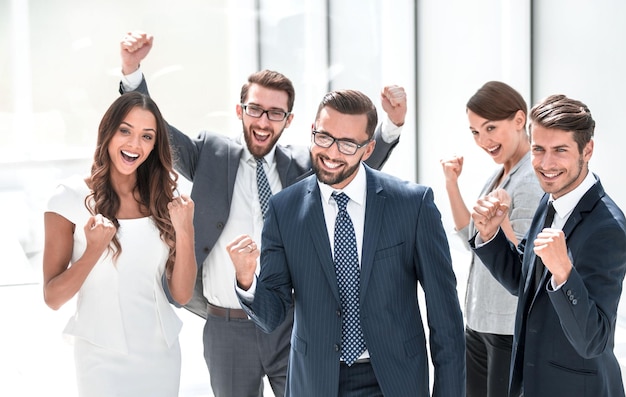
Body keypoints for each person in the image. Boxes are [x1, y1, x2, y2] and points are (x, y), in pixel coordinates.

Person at [118, 30, 407, 397]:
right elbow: (158, 133)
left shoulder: (304, 165)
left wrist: (391, 126)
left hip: (291, 325)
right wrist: (132, 74)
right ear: (240, 111)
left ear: (288, 120)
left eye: (275, 113)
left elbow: (353, 164)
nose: (263, 120)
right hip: (227, 326)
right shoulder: (211, 154)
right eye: (255, 109)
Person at [228, 89, 465, 396]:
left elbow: (445, 317)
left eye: (348, 144)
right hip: (315, 382)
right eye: (323, 136)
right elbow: (272, 316)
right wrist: (248, 280)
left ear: (368, 149)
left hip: (394, 381)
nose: (331, 152)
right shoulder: (284, 209)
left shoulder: (412, 205)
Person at [470, 94, 626, 397]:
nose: (545, 163)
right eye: (538, 149)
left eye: (560, 150)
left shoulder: (608, 228)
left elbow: (594, 340)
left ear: (587, 149)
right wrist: (491, 236)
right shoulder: (550, 200)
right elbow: (523, 281)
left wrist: (564, 275)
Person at [42, 92, 197, 397]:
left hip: (160, 354)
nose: (134, 144)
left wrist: (185, 230)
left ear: (155, 146)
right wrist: (93, 251)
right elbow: (53, 297)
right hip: (100, 354)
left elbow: (181, 294)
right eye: (125, 130)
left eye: (146, 136)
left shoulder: (164, 198)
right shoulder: (68, 198)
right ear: (108, 132)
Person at [440, 81, 543, 396]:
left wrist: (501, 224)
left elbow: (526, 261)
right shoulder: (498, 175)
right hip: (479, 321)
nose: (482, 140)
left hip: (506, 329)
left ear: (518, 120)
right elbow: (472, 238)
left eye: (490, 128)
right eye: (474, 132)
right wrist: (451, 184)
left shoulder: (530, 180)